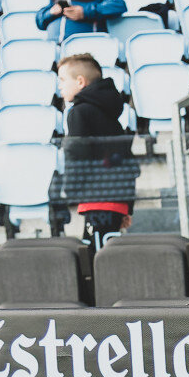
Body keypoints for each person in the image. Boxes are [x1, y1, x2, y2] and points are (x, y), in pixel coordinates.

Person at [54, 54, 136, 245]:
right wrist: (127, 206)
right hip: (117, 199)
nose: (59, 86)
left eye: (63, 80)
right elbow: (125, 158)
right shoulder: (108, 112)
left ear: (80, 81)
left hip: (97, 199)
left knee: (95, 255)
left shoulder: (78, 112)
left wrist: (70, 191)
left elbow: (76, 155)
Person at [36, 0, 126, 41]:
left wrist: (85, 12)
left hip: (90, 45)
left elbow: (117, 5)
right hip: (58, 48)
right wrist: (50, 12)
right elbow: (40, 21)